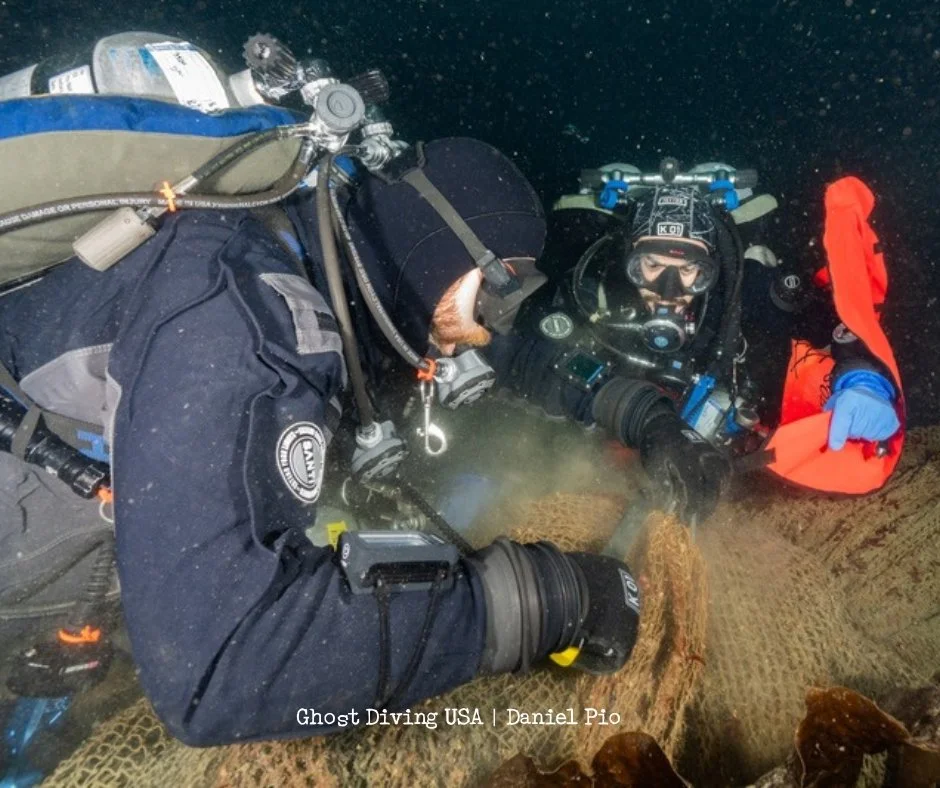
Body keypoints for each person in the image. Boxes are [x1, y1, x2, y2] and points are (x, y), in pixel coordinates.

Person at [0, 48, 646, 744]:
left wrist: (640, 415)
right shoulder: (251, 315)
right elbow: (221, 671)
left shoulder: (280, 260)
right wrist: (533, 602)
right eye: (501, 293)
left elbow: (519, 361)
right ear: (441, 249)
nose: (491, 333)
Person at [481, 160, 905, 523]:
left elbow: (839, 321)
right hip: (607, 442)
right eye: (650, 264)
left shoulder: (744, 294)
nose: (667, 287)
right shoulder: (595, 292)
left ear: (711, 270)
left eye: (689, 271)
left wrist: (864, 378)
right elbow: (525, 355)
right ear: (627, 261)